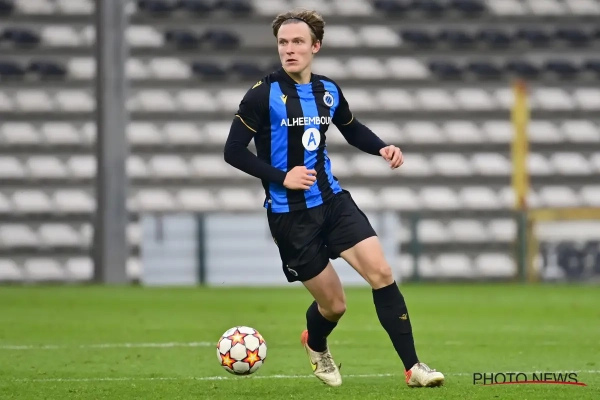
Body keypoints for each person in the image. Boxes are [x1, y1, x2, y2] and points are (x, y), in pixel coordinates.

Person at [223, 8, 444, 389]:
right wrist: (283, 177)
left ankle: (414, 368)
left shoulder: (327, 91)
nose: (289, 49)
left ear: (315, 47)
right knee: (334, 305)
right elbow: (233, 151)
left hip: (332, 202)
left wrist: (381, 147)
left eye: (298, 42)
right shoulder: (262, 95)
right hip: (290, 217)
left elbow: (351, 128)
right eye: (283, 43)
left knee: (381, 273)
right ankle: (316, 343)